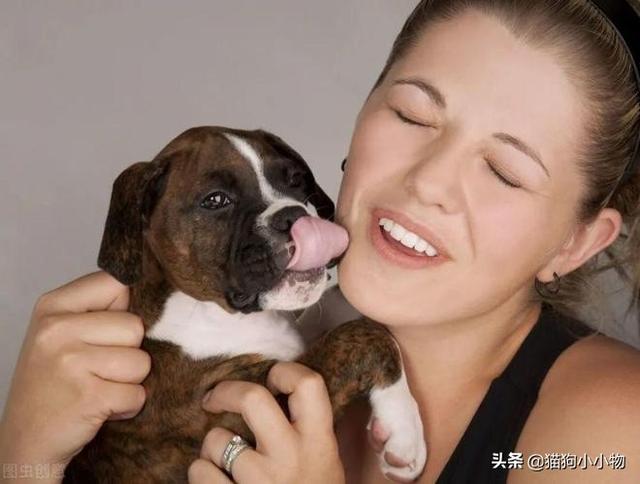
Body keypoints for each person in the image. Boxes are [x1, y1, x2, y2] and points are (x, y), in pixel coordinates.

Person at [2, 0, 640, 482]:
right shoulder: (251, 337)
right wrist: (26, 461)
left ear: (577, 244)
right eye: (413, 116)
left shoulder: (612, 437)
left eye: (505, 172)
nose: (427, 181)